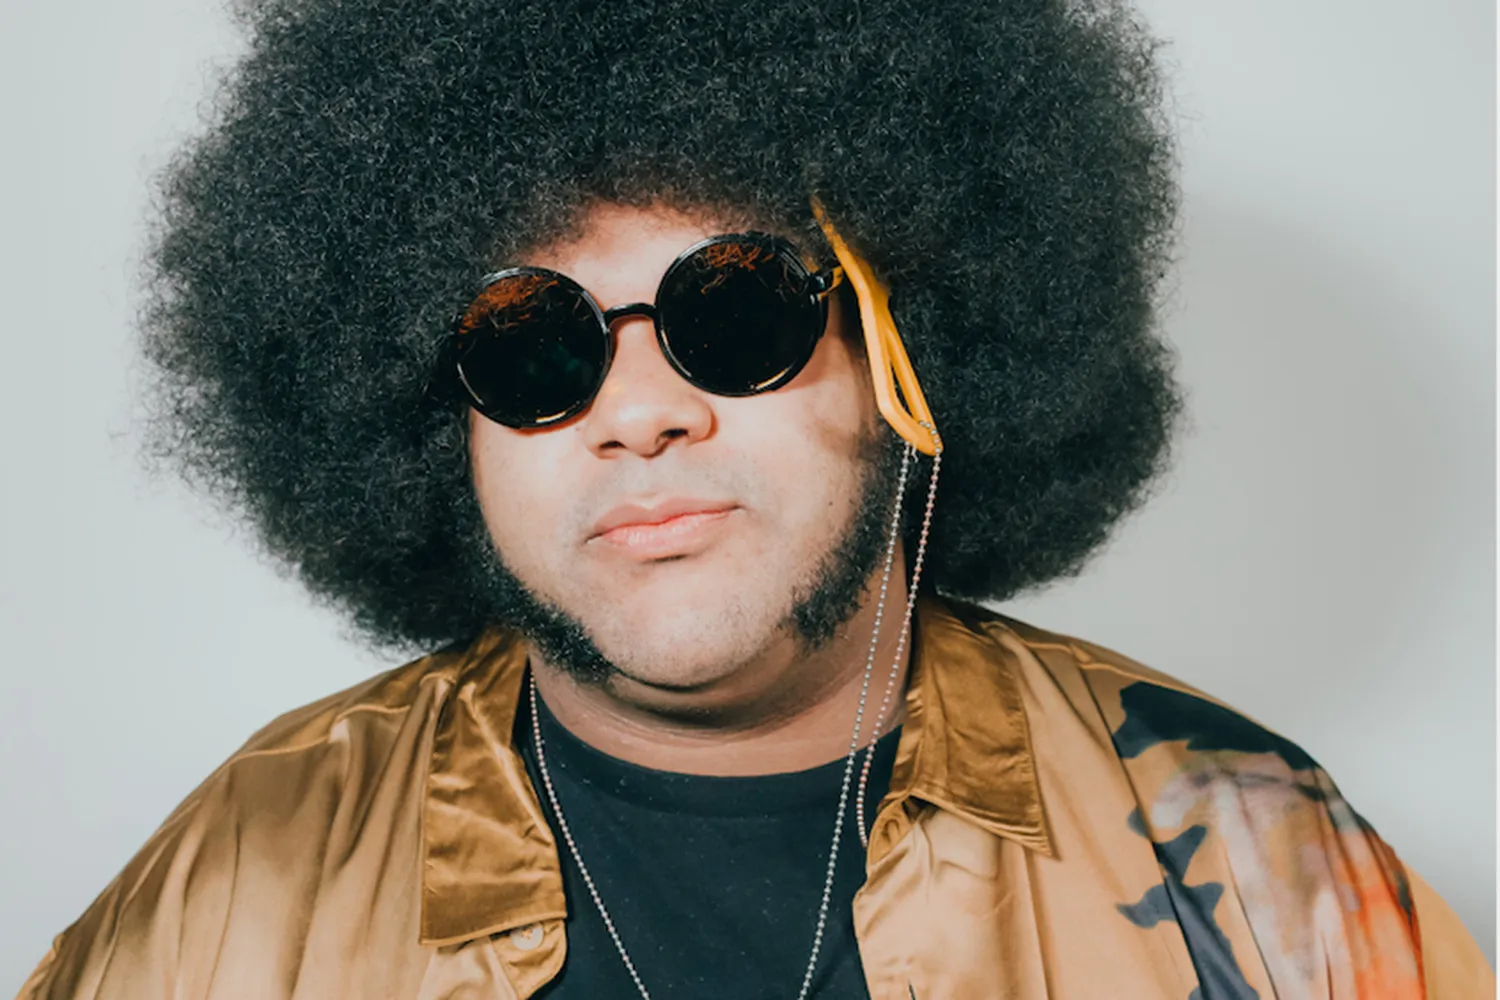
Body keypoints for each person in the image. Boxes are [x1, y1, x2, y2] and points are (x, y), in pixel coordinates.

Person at [17, 0, 1491, 997]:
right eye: (531, 347)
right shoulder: (244, 879)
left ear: (909, 354)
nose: (639, 412)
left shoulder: (1253, 855)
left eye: (735, 316)